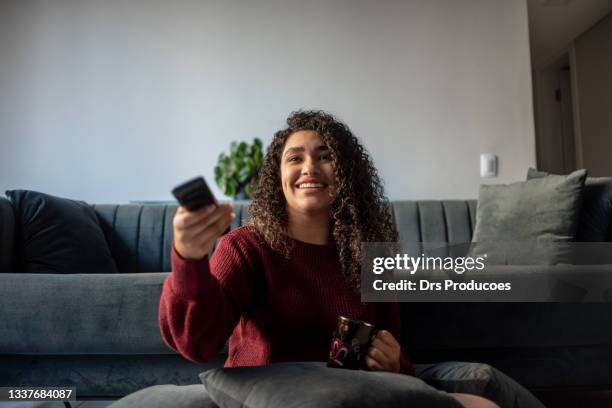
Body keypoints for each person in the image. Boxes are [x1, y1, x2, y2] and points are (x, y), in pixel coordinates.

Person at [159, 110, 499, 408]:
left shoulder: (368, 256)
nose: (310, 168)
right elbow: (196, 344)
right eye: (294, 158)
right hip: (267, 397)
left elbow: (394, 352)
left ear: (346, 174)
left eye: (325, 156)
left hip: (353, 396)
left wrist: (395, 363)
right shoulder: (245, 247)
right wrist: (189, 258)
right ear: (277, 179)